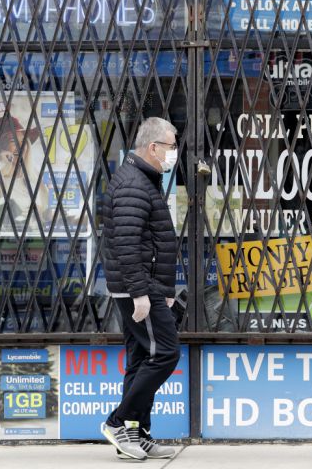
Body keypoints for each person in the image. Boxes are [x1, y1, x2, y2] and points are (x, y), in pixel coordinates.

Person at [99, 117, 181, 460]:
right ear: (153, 147)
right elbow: (128, 244)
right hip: (136, 287)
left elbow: (152, 238)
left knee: (140, 358)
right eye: (172, 146)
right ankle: (118, 423)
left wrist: (161, 287)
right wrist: (140, 293)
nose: (174, 153)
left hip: (144, 285)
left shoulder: (142, 179)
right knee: (165, 353)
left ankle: (138, 433)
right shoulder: (134, 184)